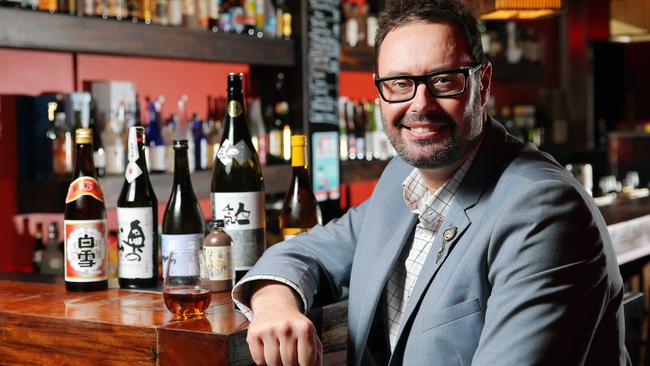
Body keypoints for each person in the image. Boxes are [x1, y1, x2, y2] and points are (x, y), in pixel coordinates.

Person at [232, 0, 630, 365]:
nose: (419, 104)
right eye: (400, 84)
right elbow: (309, 250)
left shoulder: (543, 208)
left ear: (483, 83)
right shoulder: (402, 179)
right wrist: (273, 304)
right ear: (380, 94)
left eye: (443, 80)